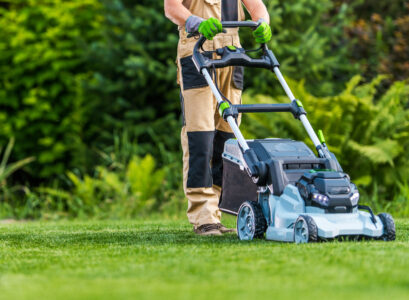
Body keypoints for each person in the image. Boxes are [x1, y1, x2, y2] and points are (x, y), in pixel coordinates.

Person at [164, 0, 271, 236]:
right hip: (196, 51)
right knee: (200, 137)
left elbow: (257, 7)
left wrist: (263, 22)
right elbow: (171, 7)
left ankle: (217, 213)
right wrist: (196, 23)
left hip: (231, 55)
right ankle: (203, 216)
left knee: (227, 138)